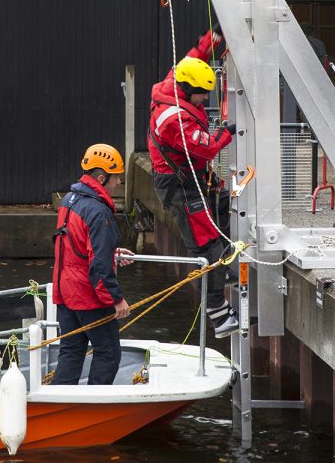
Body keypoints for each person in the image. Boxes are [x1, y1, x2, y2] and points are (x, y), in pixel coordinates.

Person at [148, 26, 239, 339]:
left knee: (224, 207)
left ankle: (224, 270)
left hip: (190, 178)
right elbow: (207, 146)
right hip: (180, 186)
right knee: (205, 246)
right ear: (188, 92)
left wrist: (210, 41)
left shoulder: (175, 83)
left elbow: (191, 59)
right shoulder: (174, 119)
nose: (205, 99)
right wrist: (229, 131)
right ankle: (217, 310)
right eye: (202, 94)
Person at [51, 144, 133, 385]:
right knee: (108, 352)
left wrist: (111, 251)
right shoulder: (98, 211)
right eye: (116, 176)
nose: (118, 183)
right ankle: (94, 404)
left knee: (71, 350)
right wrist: (116, 299)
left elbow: (75, 246)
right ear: (101, 177)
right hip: (88, 295)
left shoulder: (68, 201)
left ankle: (61, 406)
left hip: (64, 292)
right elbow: (98, 266)